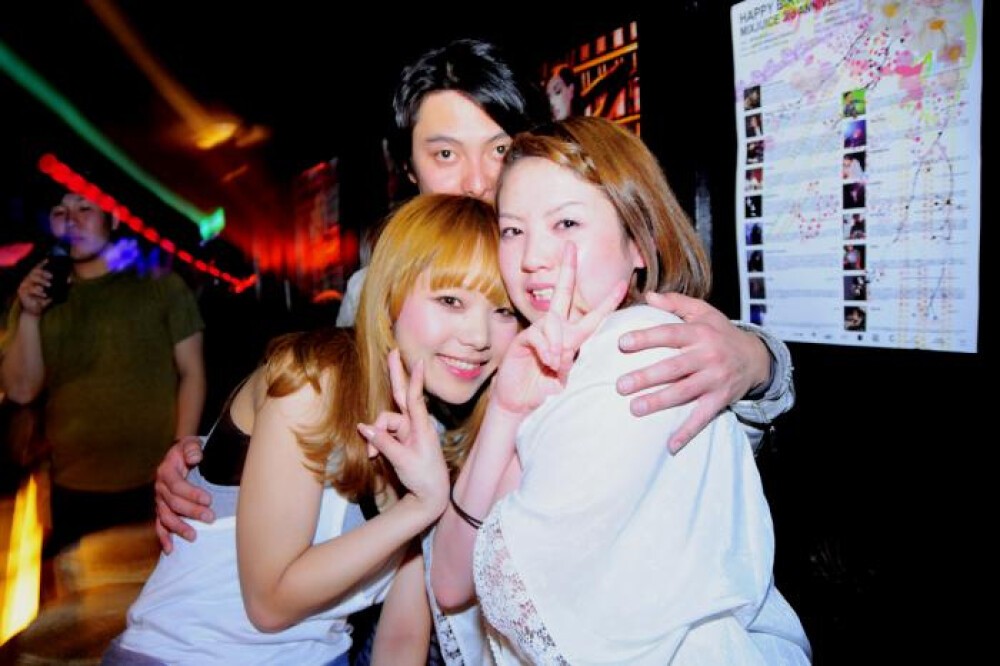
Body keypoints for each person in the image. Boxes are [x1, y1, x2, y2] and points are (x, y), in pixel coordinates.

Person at [153, 36, 795, 662]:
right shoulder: (372, 301)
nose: (477, 180)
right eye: (445, 153)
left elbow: (672, 374)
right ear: (408, 171)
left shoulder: (564, 288)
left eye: (500, 149)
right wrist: (213, 459)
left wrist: (756, 362)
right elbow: (323, 400)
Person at [432, 116, 810, 664]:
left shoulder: (639, 351)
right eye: (513, 230)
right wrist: (508, 410)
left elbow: (515, 592)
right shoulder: (536, 360)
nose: (532, 257)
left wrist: (759, 359)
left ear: (640, 243)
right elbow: (452, 584)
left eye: (566, 223)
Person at [102, 194, 519, 664]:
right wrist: (422, 505)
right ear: (390, 297)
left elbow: (402, 636)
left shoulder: (442, 440)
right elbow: (270, 603)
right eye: (450, 300)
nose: (479, 337)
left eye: (504, 311)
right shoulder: (318, 380)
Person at [0, 189, 205, 558]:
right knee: (80, 592)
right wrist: (30, 314)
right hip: (72, 488)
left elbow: (192, 372)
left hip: (153, 484)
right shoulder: (38, 295)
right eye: (60, 211)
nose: (71, 220)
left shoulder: (160, 284)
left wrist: (180, 457)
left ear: (113, 218)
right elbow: (21, 391)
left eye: (85, 208)